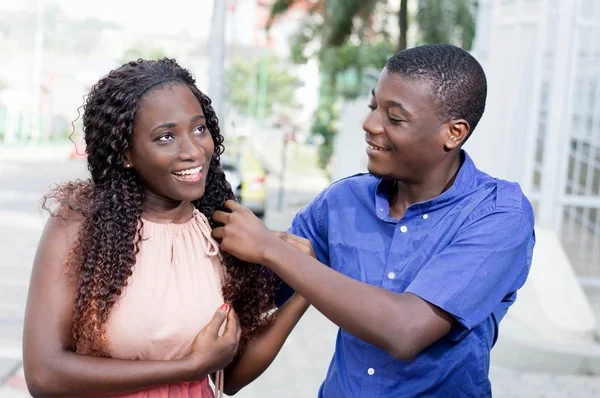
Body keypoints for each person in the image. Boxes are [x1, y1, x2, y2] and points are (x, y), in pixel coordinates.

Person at [212, 44, 536, 397]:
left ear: (453, 133)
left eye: (394, 118)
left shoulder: (498, 213)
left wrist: (271, 249)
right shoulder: (341, 203)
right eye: (372, 107)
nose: (369, 125)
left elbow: (406, 330)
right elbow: (251, 293)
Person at [23, 58, 310, 397]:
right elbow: (44, 374)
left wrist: (305, 285)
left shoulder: (222, 230)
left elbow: (227, 377)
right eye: (165, 137)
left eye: (199, 128)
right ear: (126, 153)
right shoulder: (78, 226)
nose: (193, 150)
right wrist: (187, 367)